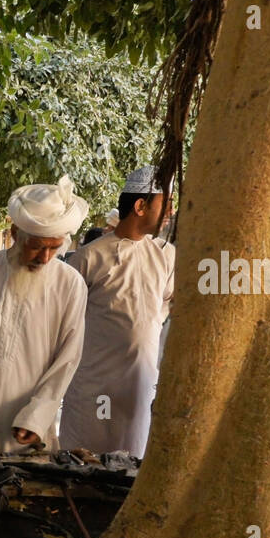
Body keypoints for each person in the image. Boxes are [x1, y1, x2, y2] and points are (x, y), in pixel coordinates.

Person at [0, 177, 89, 453]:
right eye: (37, 246)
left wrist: (37, 416)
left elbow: (67, 358)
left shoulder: (70, 284)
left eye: (55, 247)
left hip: (29, 426)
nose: (45, 257)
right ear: (16, 233)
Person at [58, 166, 174, 457]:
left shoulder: (166, 254)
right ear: (140, 206)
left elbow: (166, 305)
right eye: (166, 203)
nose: (171, 211)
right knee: (83, 462)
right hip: (93, 384)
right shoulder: (89, 257)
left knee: (130, 463)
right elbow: (65, 318)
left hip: (139, 383)